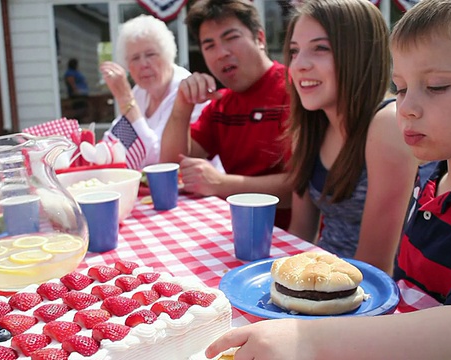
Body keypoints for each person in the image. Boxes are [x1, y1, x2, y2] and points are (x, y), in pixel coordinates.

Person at [206, 0, 451, 359]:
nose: (407, 107)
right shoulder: (433, 184)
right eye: (400, 87)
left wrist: (310, 339)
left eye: (437, 86)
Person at [283, 0, 416, 274]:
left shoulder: (388, 125)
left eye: (320, 48)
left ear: (360, 53)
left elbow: (375, 267)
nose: (299, 65)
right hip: (320, 280)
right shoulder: (310, 127)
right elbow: (299, 235)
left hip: (371, 297)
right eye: (294, 52)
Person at [159, 0, 292, 229]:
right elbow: (172, 168)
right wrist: (182, 107)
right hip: (235, 231)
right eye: (209, 45)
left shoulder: (294, 90)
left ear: (260, 38)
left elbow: (302, 190)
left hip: (291, 240)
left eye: (231, 38)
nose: (221, 53)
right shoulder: (221, 104)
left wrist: (221, 183)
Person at [99, 15, 215, 170]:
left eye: (150, 54)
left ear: (168, 54)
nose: (143, 64)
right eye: (135, 58)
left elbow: (160, 161)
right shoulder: (141, 91)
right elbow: (115, 139)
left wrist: (126, 100)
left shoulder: (185, 88)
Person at [64, 58, 89, 123]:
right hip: (76, 95)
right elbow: (71, 82)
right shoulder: (70, 73)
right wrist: (76, 91)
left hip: (83, 93)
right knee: (78, 109)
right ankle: (77, 121)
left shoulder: (76, 71)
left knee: (83, 108)